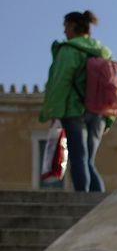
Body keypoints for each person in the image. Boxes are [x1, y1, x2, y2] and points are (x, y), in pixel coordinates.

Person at [39, 11, 110, 193]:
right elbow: (112, 87)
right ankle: (99, 201)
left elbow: (60, 83)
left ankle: (82, 199)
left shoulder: (68, 50)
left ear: (72, 26)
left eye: (65, 26)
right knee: (89, 161)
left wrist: (54, 112)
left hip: (74, 111)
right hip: (99, 113)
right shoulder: (103, 52)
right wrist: (109, 120)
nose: (64, 31)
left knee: (79, 157)